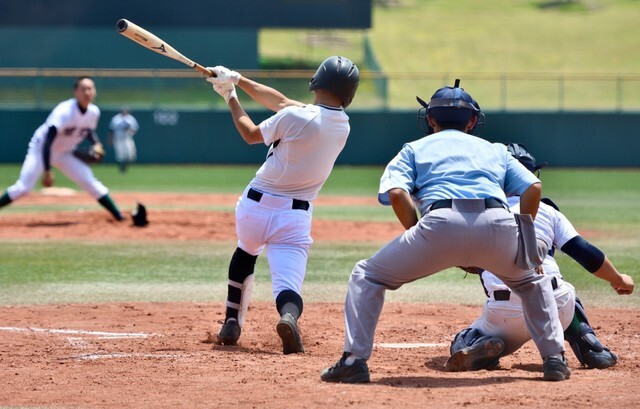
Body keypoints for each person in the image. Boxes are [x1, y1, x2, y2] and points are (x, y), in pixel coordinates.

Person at [320, 79, 571, 383]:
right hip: (497, 223)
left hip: (439, 221)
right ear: (473, 121)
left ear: (430, 119)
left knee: (367, 276)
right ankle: (554, 360)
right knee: (532, 281)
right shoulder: (495, 150)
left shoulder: (414, 148)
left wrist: (422, 238)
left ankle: (353, 360)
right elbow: (533, 187)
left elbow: (398, 195)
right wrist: (524, 242)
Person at [204, 56, 360, 354]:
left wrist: (231, 97)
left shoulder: (295, 117)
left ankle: (231, 321)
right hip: (295, 216)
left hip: (254, 208)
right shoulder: (343, 125)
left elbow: (251, 134)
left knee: (245, 252)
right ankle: (288, 317)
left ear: (318, 80)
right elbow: (283, 102)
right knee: (287, 285)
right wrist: (237, 78)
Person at [445, 143, 634, 372]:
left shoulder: (478, 212)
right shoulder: (548, 210)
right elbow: (585, 252)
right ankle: (590, 346)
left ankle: (478, 344)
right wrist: (617, 278)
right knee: (564, 292)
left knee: (461, 341)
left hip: (505, 318)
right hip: (554, 307)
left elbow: (453, 252)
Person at [0, 76, 124, 221]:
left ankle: (119, 216)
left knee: (89, 181)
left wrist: (96, 144)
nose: (88, 92)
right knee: (23, 188)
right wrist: (47, 171)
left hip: (64, 153)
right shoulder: (64, 111)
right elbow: (48, 141)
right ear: (75, 92)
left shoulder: (93, 112)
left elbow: (88, 130)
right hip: (40, 150)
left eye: (91, 88)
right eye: (84, 89)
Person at [108, 106, 139, 173]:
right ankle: (121, 168)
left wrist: (130, 130)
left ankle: (125, 166)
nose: (124, 111)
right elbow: (111, 130)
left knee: (130, 155)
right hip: (118, 139)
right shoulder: (116, 119)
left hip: (127, 138)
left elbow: (135, 128)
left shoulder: (130, 118)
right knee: (120, 155)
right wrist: (110, 140)